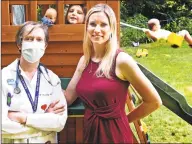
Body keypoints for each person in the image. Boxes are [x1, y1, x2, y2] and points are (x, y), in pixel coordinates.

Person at [65, 4, 162, 143]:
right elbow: (68, 97)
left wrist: (125, 120)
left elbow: (154, 101)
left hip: (115, 135)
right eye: (92, 24)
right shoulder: (84, 60)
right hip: (90, 132)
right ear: (86, 27)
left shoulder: (121, 60)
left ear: (111, 28)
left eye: (103, 24)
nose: (97, 29)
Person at [2, 21, 67, 143]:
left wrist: (23, 118)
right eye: (29, 39)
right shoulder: (3, 78)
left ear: (45, 45)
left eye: (39, 39)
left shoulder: (52, 80)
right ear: (19, 44)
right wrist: (44, 124)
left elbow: (59, 122)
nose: (34, 44)